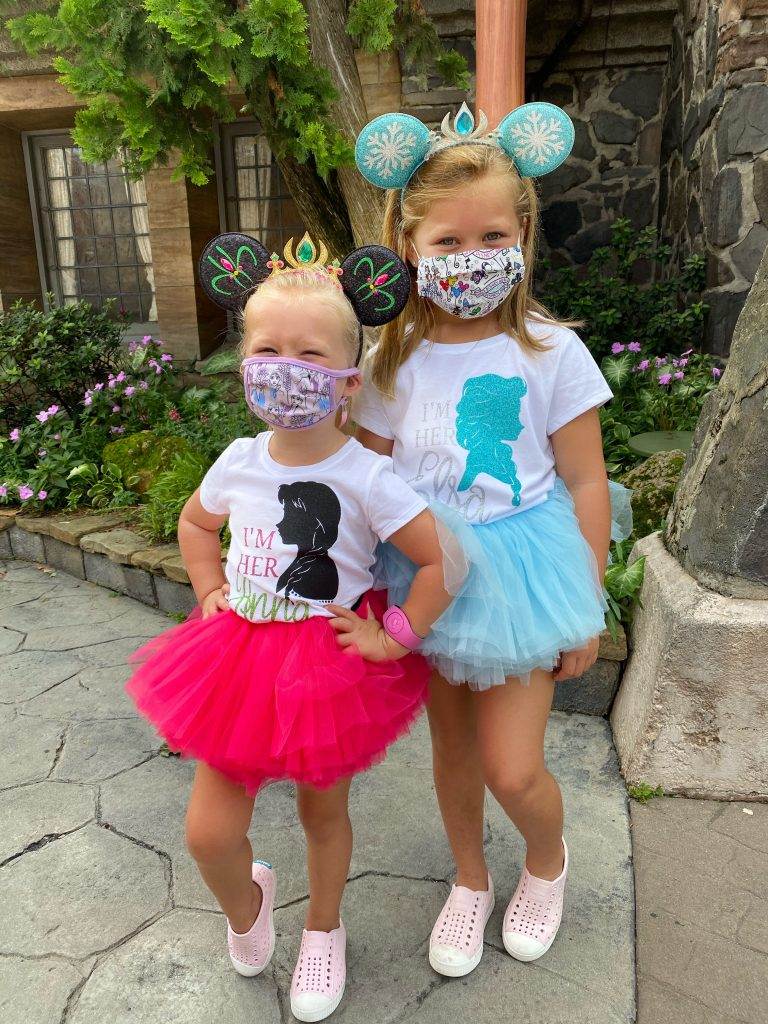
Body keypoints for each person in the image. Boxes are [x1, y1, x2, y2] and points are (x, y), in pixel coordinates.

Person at [126, 233, 453, 1022]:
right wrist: (208, 589)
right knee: (209, 833)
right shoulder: (239, 460)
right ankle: (249, 903)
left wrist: (395, 635)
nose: (287, 367)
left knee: (322, 812)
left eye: (310, 353)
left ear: (346, 379)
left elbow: (443, 564)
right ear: (243, 362)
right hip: (236, 659)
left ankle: (324, 928)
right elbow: (196, 526)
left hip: (325, 666)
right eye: (268, 348)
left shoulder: (366, 474)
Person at [353, 102, 632, 977]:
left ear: (519, 234)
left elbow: (586, 479)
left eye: (490, 236)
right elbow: (362, 485)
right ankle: (469, 880)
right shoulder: (387, 364)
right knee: (453, 754)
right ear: (408, 244)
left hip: (521, 573)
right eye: (446, 242)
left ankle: (545, 863)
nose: (470, 257)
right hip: (426, 572)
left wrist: (586, 603)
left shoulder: (549, 351)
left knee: (514, 769)